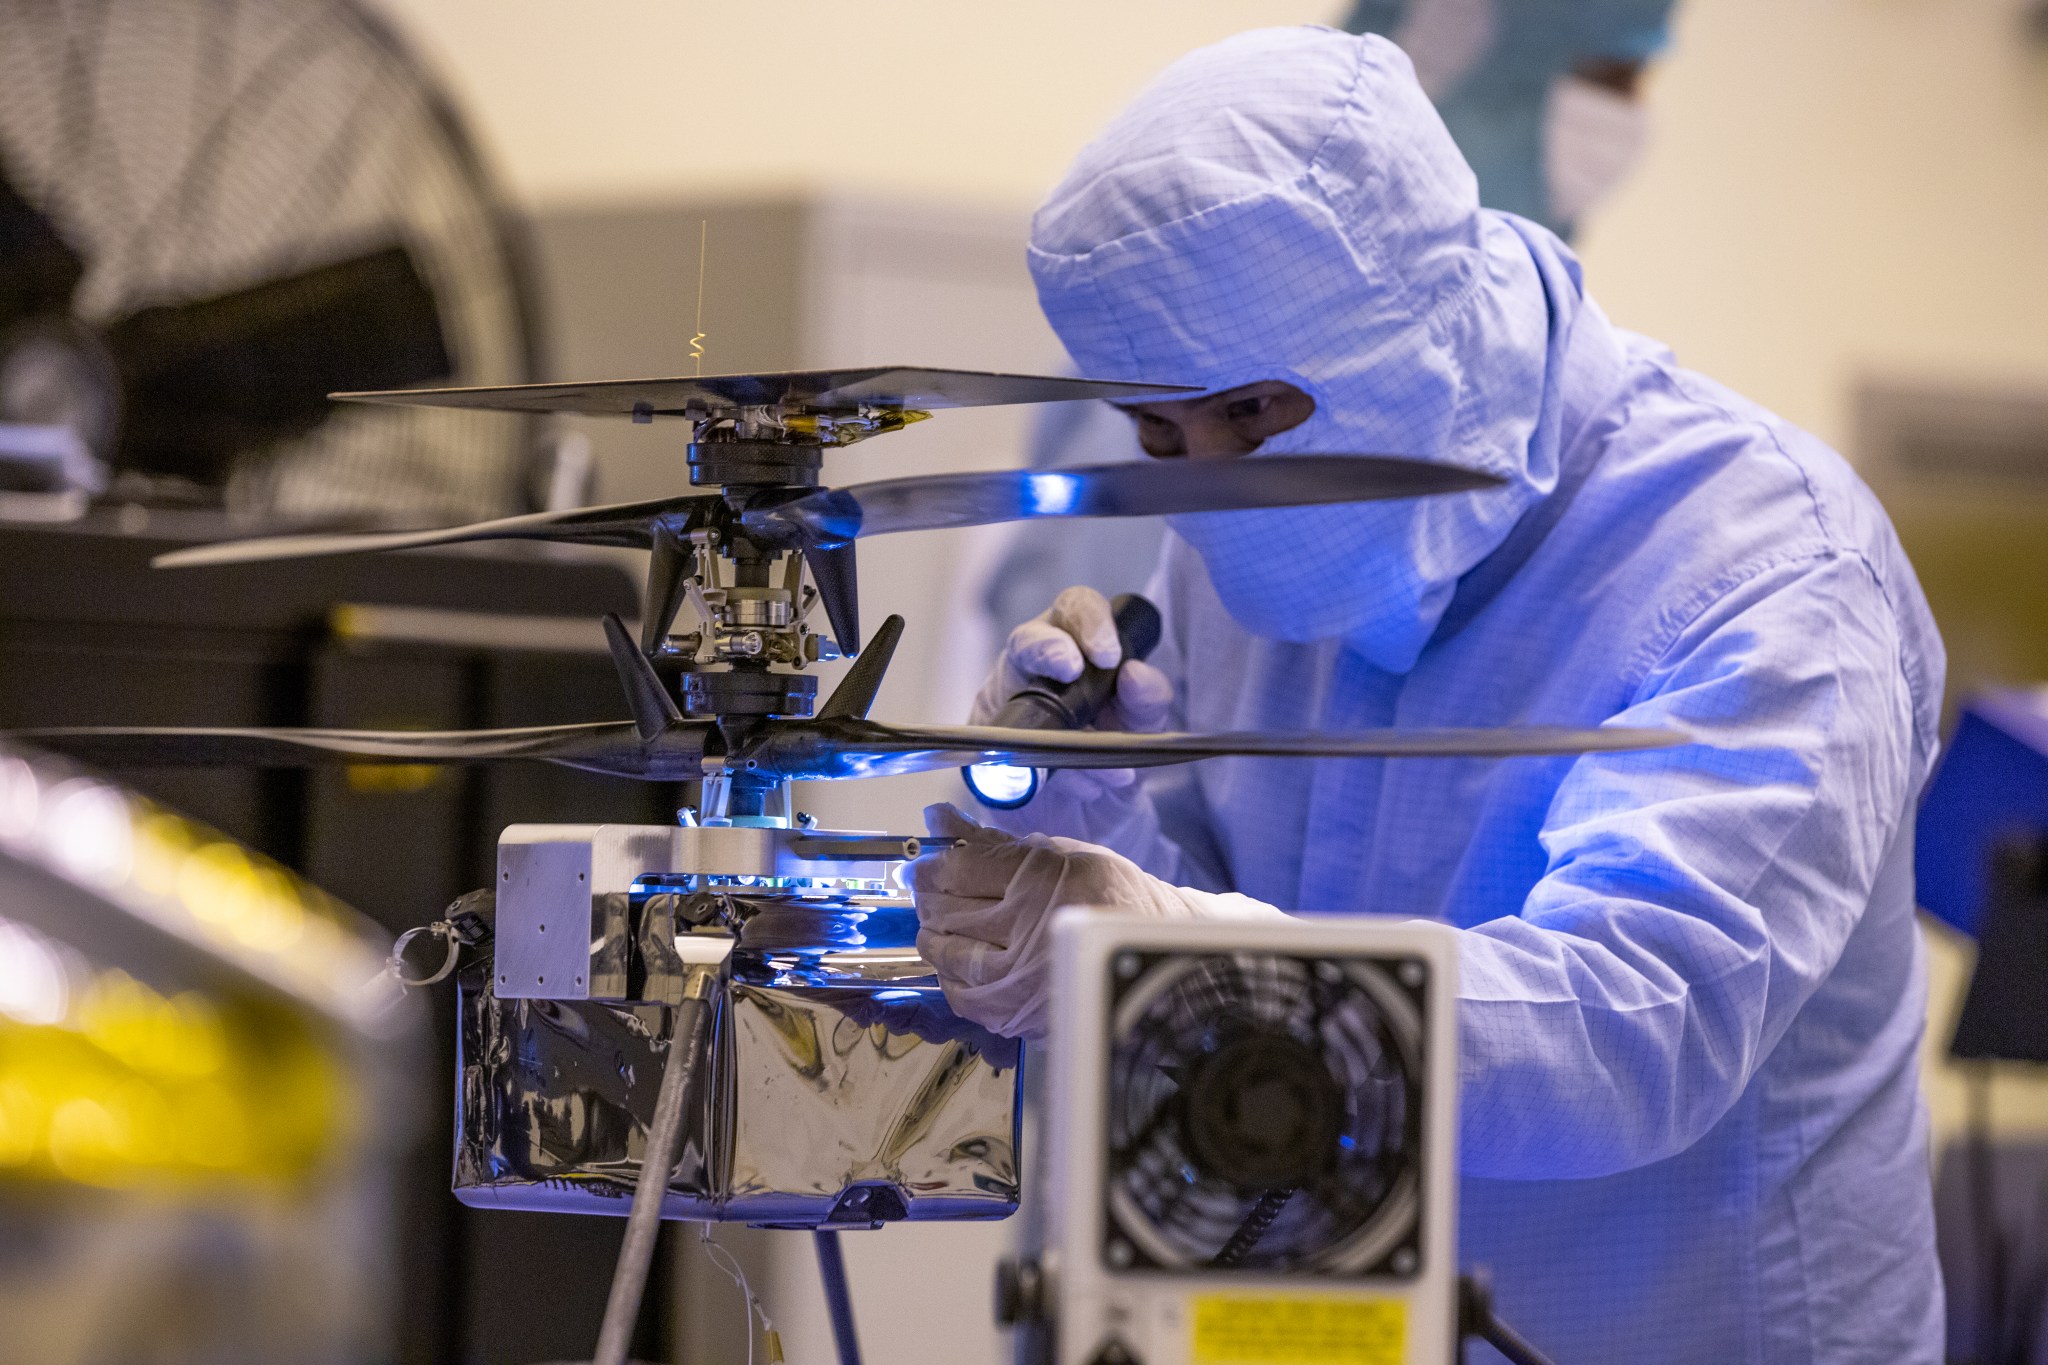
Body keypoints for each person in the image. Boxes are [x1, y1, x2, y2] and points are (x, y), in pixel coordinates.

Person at [913, 27, 1944, 1363]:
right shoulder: (1235, 546)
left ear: (1421, 327)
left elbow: (1634, 1025)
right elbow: (1251, 913)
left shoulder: (1766, 562)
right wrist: (1102, 835)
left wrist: (1179, 963)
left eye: (1256, 415)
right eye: (1161, 435)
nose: (1216, 483)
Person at [978, 0, 1678, 648]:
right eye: (1610, 77)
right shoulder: (1189, 398)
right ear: (1450, 41)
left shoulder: (1683, 517)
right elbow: (1110, 674)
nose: (1628, 119)